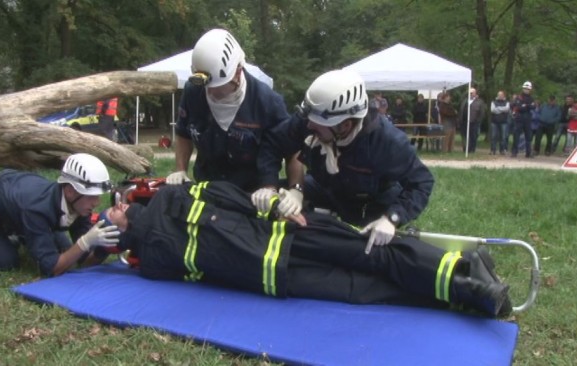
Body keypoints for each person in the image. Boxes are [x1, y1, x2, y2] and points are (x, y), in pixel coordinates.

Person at [102, 180, 512, 318]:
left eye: (116, 202)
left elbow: (232, 196)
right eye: (109, 213)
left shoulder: (167, 204)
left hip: (287, 234)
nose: (115, 208)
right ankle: (467, 293)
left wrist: (278, 202)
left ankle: (462, 268)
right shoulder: (151, 262)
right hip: (276, 274)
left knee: (371, 254)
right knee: (362, 285)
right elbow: (203, 274)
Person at [259, 69, 434, 249]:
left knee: (369, 245)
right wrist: (279, 187)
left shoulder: (387, 141)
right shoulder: (311, 119)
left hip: (373, 200)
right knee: (268, 197)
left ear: (345, 125)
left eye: (317, 123)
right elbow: (273, 143)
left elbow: (422, 182)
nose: (309, 125)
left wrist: (392, 218)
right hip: (326, 187)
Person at [164, 28, 298, 209]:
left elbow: (292, 150)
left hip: (253, 196)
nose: (210, 92)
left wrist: (295, 189)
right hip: (209, 189)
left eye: (217, 86)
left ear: (237, 72)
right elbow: (183, 133)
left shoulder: (267, 102)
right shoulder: (193, 92)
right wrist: (180, 169)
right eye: (206, 85)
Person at [0, 153, 119, 276]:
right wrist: (84, 242)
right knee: (5, 262)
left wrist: (104, 248)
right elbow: (52, 268)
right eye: (91, 196)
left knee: (67, 251)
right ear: (70, 191)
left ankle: (26, 234)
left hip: (19, 194)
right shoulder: (37, 209)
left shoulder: (78, 204)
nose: (96, 202)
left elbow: (83, 260)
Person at [511, 81, 535, 158]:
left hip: (527, 119)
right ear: (523, 88)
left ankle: (528, 153)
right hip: (519, 118)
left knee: (528, 137)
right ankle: (514, 152)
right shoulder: (519, 97)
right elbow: (519, 107)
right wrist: (527, 106)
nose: (526, 90)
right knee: (516, 136)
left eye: (528, 89)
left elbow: (533, 107)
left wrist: (526, 106)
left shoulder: (531, 98)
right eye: (525, 88)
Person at [458, 88, 486, 153]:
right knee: (464, 135)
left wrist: (478, 120)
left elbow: (482, 113)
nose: (470, 94)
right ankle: (465, 149)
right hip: (464, 121)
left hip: (474, 122)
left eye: (472, 93)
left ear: (475, 93)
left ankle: (472, 149)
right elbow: (461, 110)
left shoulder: (479, 102)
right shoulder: (465, 101)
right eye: (469, 93)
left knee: (473, 136)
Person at [490, 91, 511, 155]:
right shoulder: (493, 102)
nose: (500, 96)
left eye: (501, 95)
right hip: (494, 122)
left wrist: (498, 109)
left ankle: (502, 150)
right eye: (499, 95)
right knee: (493, 136)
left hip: (503, 122)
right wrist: (502, 110)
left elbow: (507, 109)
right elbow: (492, 110)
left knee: (503, 137)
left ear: (504, 95)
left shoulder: (507, 102)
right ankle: (493, 150)